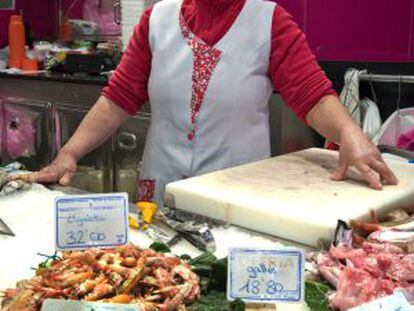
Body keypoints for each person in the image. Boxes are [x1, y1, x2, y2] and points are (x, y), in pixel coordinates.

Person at [18, 0, 397, 205]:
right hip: (160, 192)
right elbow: (117, 99)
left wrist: (350, 131)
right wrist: (68, 153)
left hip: (239, 194)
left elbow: (311, 95)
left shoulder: (269, 20)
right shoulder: (156, 20)